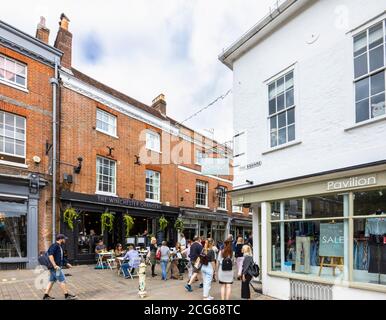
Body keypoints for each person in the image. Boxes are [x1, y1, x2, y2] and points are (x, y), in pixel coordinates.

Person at [43, 234, 77, 300]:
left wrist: (66, 263)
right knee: (62, 280)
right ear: (61, 239)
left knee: (51, 281)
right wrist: (55, 265)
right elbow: (50, 255)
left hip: (55, 267)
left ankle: (46, 296)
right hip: (56, 268)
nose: (65, 240)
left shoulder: (59, 246)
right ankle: (67, 296)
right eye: (64, 239)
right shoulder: (55, 246)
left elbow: (61, 257)